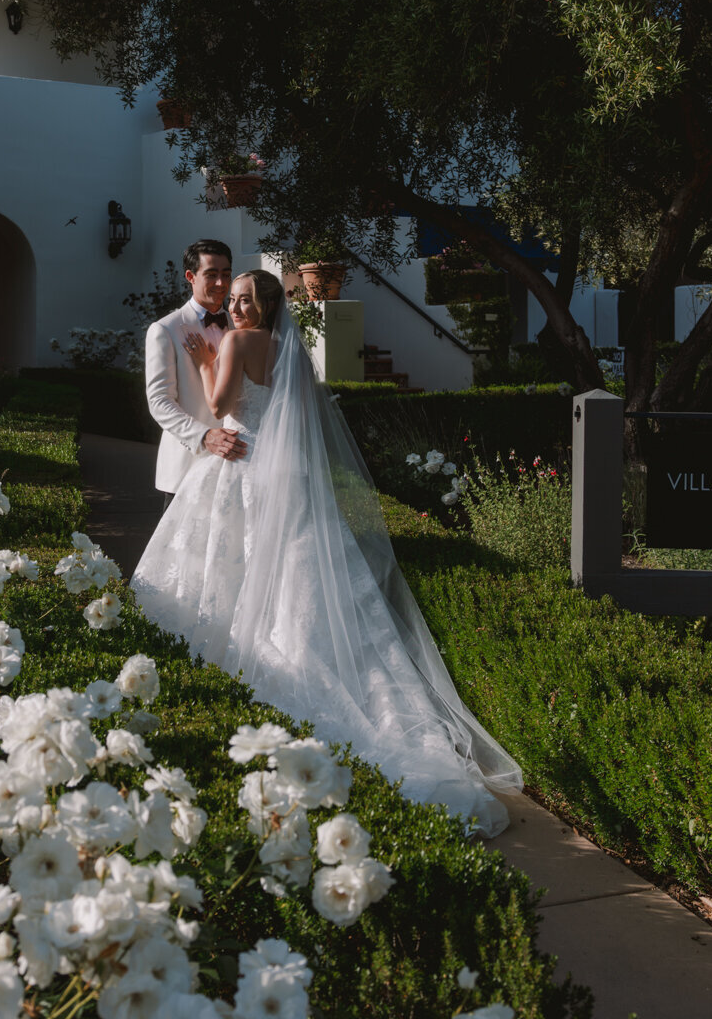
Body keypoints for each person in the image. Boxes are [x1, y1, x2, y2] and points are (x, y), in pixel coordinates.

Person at [131, 269, 522, 836]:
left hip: (239, 464)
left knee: (227, 564)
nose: (235, 308)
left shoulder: (236, 342)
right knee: (291, 569)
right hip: (283, 469)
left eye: (243, 301)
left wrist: (204, 360)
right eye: (232, 300)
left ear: (262, 306)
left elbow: (219, 407)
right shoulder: (291, 349)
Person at [144, 240, 246, 501]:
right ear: (190, 276)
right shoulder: (165, 329)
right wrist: (205, 436)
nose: (221, 283)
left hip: (239, 465)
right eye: (212, 274)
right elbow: (159, 401)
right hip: (186, 468)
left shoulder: (242, 328)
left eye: (226, 274)